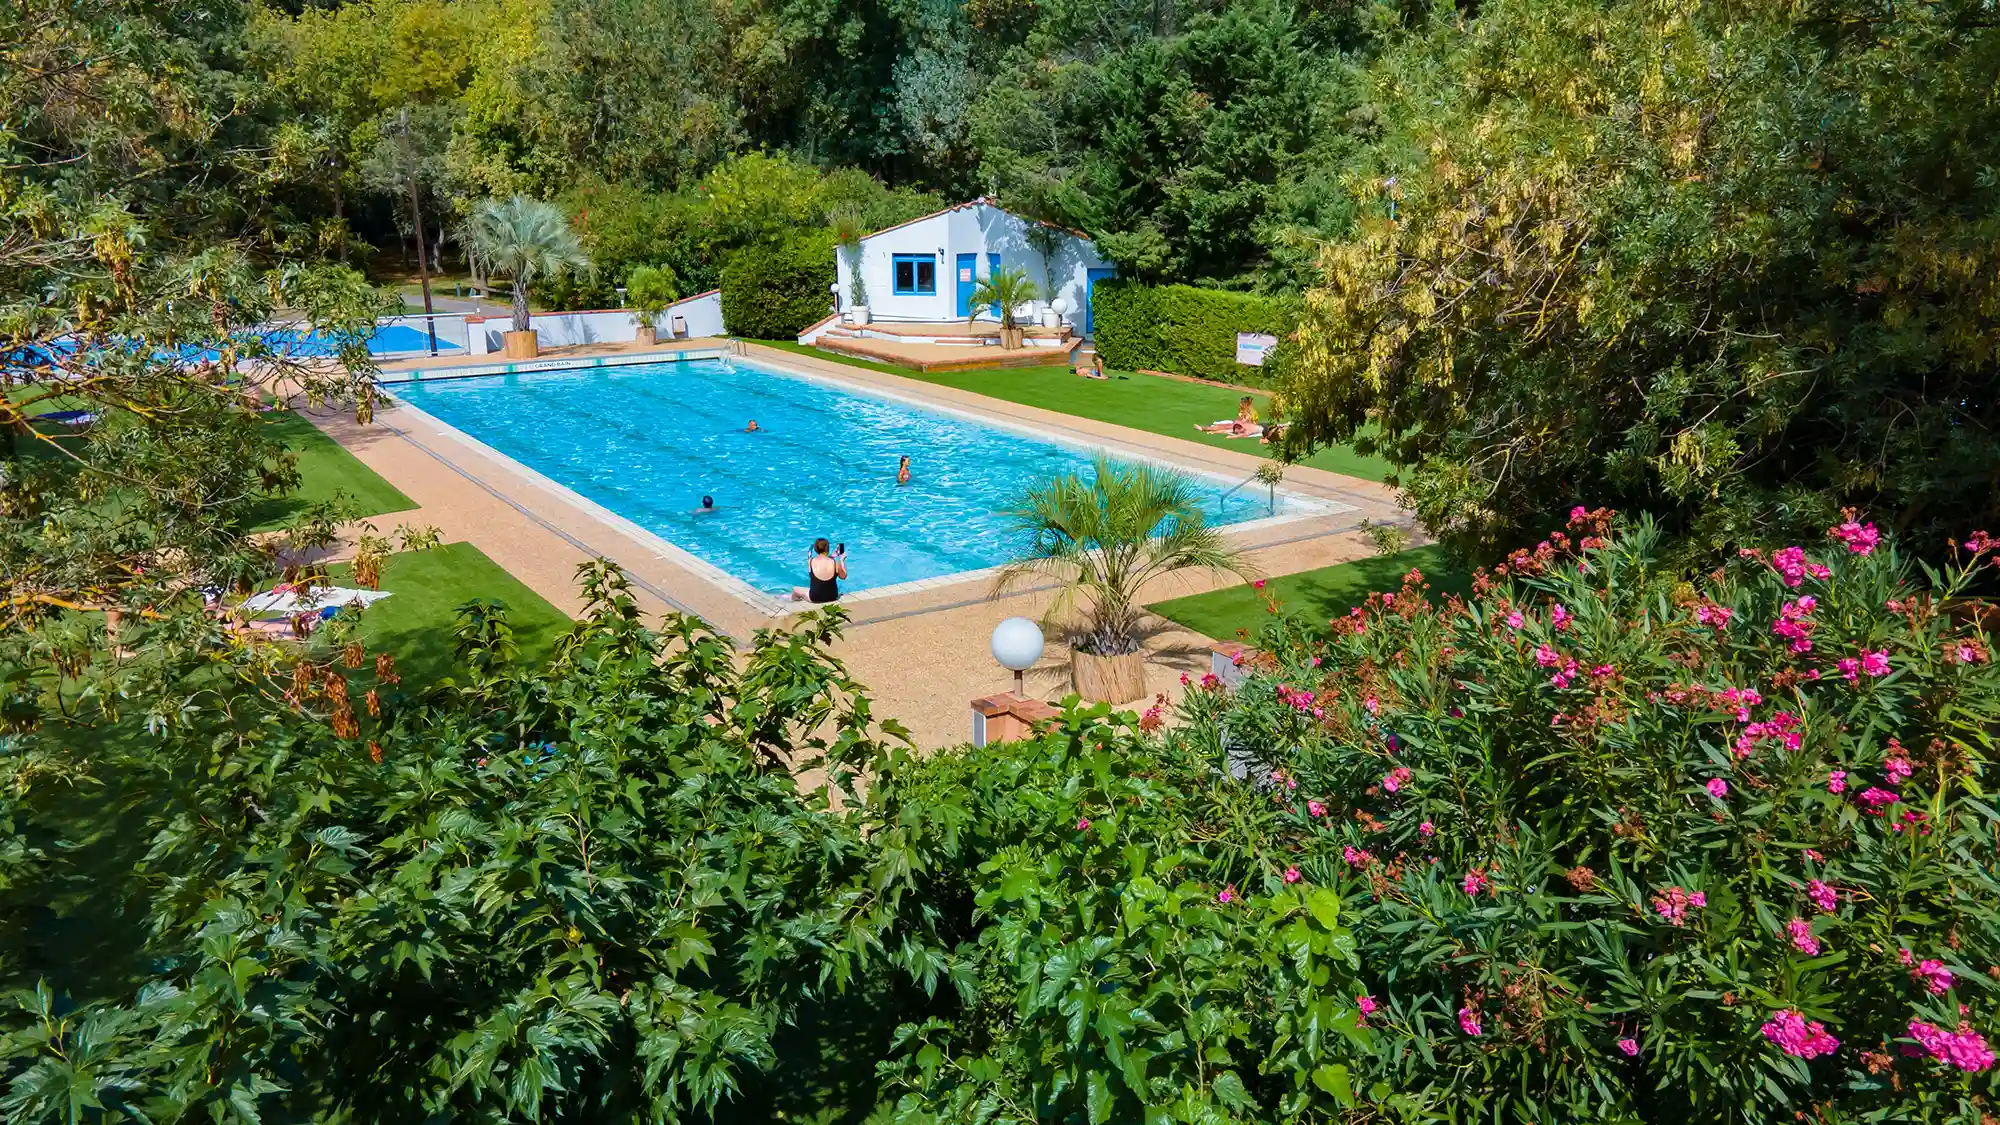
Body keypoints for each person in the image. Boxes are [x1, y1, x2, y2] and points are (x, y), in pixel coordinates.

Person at [1196, 396, 1260, 437]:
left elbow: (1248, 421)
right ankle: (1207, 429)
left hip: (1248, 427)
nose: (1240, 404)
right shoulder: (1245, 409)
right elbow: (1240, 418)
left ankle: (1204, 429)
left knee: (1226, 427)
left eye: (1241, 403)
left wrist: (1238, 423)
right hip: (1244, 425)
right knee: (1226, 426)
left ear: (1245, 403)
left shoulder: (1250, 411)